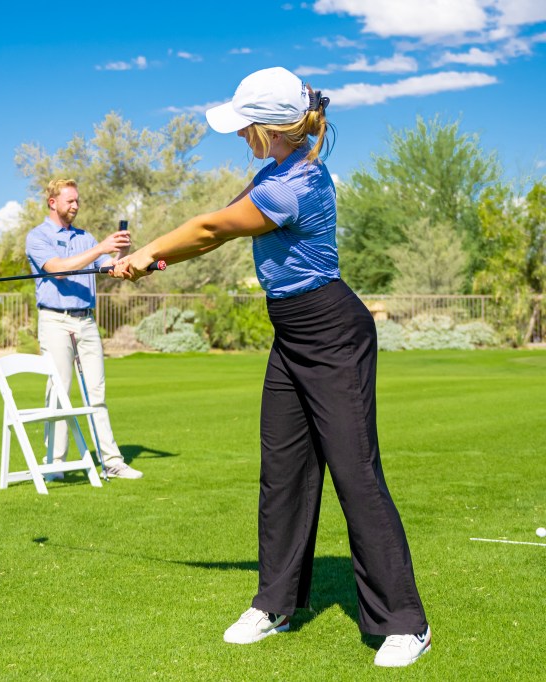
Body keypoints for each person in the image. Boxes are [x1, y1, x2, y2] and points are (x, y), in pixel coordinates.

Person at [110, 67, 430, 667]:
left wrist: (151, 251)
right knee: (283, 469)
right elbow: (212, 234)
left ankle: (404, 622)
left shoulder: (295, 186)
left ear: (268, 127)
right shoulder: (272, 173)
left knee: (354, 472)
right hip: (292, 333)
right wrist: (151, 261)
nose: (237, 136)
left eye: (243, 127)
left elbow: (209, 228)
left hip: (333, 332)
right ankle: (276, 603)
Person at [24, 178, 142, 480]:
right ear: (53, 202)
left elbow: (108, 268)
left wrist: (119, 254)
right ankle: (55, 463)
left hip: (86, 320)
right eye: (70, 201)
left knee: (96, 392)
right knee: (59, 391)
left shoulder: (85, 237)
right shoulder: (37, 237)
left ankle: (112, 462)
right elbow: (59, 270)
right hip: (54, 320)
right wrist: (101, 247)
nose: (75, 205)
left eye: (77, 201)